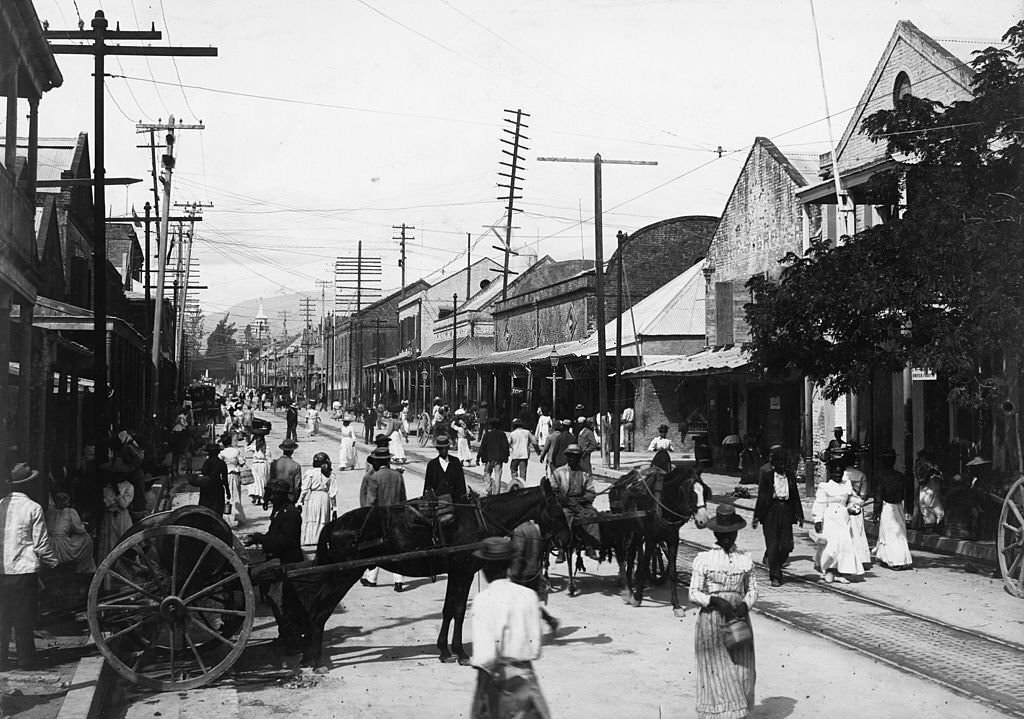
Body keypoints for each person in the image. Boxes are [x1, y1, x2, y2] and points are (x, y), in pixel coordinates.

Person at [469, 536, 551, 719]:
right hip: (527, 682)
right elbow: (535, 648)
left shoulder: (483, 600)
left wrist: (477, 704)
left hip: (500, 686)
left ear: (484, 567)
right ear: (509, 564)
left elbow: (486, 657)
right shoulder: (529, 596)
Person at [688, 505, 758, 719]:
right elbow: (693, 593)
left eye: (730, 534)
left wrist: (745, 604)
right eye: (722, 535)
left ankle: (739, 712)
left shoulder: (744, 559)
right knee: (715, 666)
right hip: (712, 619)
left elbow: (753, 588)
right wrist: (715, 600)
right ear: (716, 534)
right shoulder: (704, 559)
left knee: (743, 666)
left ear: (736, 533)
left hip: (738, 618)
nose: (727, 538)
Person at [0, 464, 58, 669]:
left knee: (3, 617)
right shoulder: (33, 508)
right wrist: (54, 563)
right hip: (24, 571)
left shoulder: (1, 505)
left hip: (2, 571)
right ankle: (26, 660)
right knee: (24, 616)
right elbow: (41, 545)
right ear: (30, 485)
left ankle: (2, 660)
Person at [244, 479, 304, 649]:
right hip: (277, 558)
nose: (270, 498)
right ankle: (286, 635)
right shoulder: (280, 510)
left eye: (273, 495)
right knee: (277, 600)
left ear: (281, 496)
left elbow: (282, 541)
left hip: (287, 562)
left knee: (283, 602)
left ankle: (291, 640)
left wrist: (259, 538)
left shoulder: (290, 513)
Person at [752, 445, 803, 587]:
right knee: (773, 545)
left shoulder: (790, 474)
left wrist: (799, 514)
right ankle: (775, 574)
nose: (782, 465)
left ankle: (776, 564)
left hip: (786, 510)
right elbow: (762, 496)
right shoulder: (766, 473)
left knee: (787, 545)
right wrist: (757, 516)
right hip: (771, 512)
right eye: (778, 462)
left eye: (784, 462)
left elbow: (795, 495)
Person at [360, 447, 408, 591]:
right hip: (396, 518)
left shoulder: (374, 478)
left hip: (380, 519)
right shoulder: (398, 476)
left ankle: (372, 578)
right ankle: (399, 581)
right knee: (396, 549)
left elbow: (370, 503)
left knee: (377, 549)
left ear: (376, 462)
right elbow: (403, 499)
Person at [812, 457, 865, 584]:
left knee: (844, 544)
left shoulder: (846, 486)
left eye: (840, 473)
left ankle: (840, 571)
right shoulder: (825, 487)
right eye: (835, 473)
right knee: (831, 545)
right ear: (830, 473)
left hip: (843, 517)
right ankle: (828, 569)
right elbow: (820, 504)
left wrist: (854, 508)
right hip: (830, 517)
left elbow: (852, 500)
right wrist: (818, 520)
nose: (837, 475)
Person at [550, 445, 600, 558]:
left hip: (581, 504)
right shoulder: (559, 473)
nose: (572, 459)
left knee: (592, 516)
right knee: (564, 519)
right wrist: (564, 500)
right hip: (565, 504)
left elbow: (591, 491)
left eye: (575, 457)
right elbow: (553, 491)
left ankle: (590, 546)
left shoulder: (585, 473)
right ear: (567, 457)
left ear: (579, 458)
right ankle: (562, 548)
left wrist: (583, 500)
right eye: (570, 456)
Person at [510, 519, 559, 634]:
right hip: (534, 571)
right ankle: (550, 620)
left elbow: (518, 554)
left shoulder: (520, 530)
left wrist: (513, 573)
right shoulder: (534, 529)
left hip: (522, 574)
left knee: (520, 603)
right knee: (530, 603)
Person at [873, 448, 913, 570]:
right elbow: (907, 494)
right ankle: (892, 558)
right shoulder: (900, 476)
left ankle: (893, 560)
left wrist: (876, 512)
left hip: (888, 508)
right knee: (899, 533)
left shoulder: (881, 476)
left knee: (888, 534)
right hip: (898, 506)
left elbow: (879, 496)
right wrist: (908, 511)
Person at [44, 491, 95, 573]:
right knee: (87, 539)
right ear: (67, 502)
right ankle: (83, 569)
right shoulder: (70, 512)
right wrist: (85, 525)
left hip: (48, 543)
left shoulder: (49, 511)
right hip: (61, 546)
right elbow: (79, 529)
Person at [97, 459, 135, 560]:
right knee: (109, 542)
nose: (118, 476)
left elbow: (124, 504)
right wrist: (115, 501)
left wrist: (117, 493)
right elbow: (107, 503)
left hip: (123, 518)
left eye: (120, 474)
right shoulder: (107, 487)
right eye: (115, 474)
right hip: (109, 517)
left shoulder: (129, 487)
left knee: (123, 541)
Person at [841, 447, 872, 569]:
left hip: (845, 504)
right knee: (858, 531)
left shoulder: (841, 475)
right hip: (857, 504)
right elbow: (864, 495)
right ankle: (861, 558)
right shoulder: (861, 475)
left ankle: (847, 558)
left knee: (846, 531)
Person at [298, 453, 336, 547]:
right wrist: (334, 508)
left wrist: (300, 502)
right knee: (323, 518)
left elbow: (304, 490)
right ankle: (322, 539)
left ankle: (311, 539)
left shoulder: (310, 473)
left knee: (312, 518)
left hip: (313, 497)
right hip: (324, 498)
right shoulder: (330, 474)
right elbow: (333, 494)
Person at [424, 435, 469, 501]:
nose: (444, 451)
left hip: (455, 502)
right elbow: (428, 486)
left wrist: (463, 499)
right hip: (438, 504)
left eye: (446, 448)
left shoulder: (455, 462)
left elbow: (461, 483)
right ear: (438, 449)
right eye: (441, 449)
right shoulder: (432, 465)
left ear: (448, 448)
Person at [190, 443, 229, 516]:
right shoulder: (221, 463)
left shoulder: (207, 462)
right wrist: (227, 491)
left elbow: (204, 473)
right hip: (217, 487)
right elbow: (225, 478)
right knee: (218, 508)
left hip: (206, 487)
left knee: (205, 508)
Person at [219, 434, 247, 528]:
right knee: (236, 496)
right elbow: (242, 462)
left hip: (225, 476)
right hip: (235, 475)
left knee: (227, 497)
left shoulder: (222, 453)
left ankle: (227, 518)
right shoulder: (236, 451)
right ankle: (238, 517)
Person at [477, 419, 511, 495]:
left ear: (491, 426)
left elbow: (482, 447)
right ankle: (497, 494)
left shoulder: (487, 435)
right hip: (498, 459)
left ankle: (489, 489)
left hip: (488, 459)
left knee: (487, 473)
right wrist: (506, 457)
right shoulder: (502, 434)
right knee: (498, 477)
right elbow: (506, 447)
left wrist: (478, 457)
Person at [270, 439, 303, 507]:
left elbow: (271, 481)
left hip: (277, 495)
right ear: (292, 451)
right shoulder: (296, 466)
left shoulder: (274, 464)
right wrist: (295, 499)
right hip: (289, 496)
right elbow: (297, 486)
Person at [508, 419, 535, 490]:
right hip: (524, 455)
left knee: (513, 470)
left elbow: (508, 443)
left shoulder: (512, 433)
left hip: (515, 456)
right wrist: (537, 450)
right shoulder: (527, 432)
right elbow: (534, 441)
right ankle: (522, 488)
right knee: (523, 473)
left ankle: (515, 485)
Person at [248, 432, 269, 505]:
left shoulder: (254, 447)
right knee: (262, 481)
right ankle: (261, 497)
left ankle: (256, 497)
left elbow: (247, 448)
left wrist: (251, 440)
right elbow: (269, 458)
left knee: (256, 481)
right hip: (263, 465)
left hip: (255, 465)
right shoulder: (266, 448)